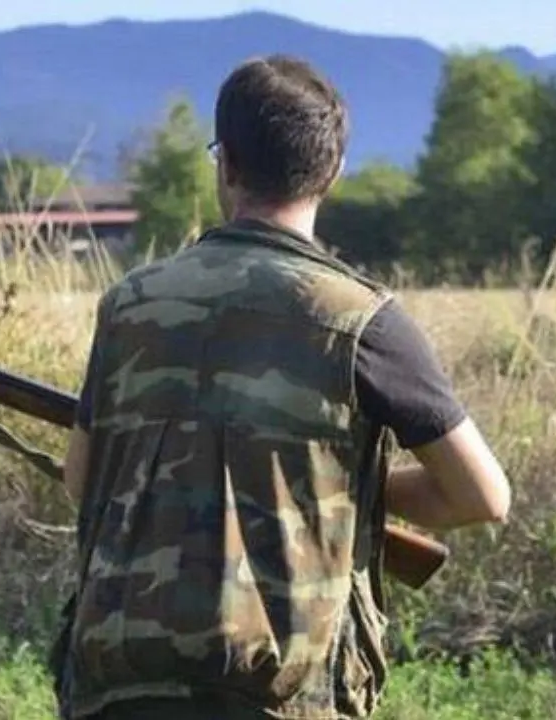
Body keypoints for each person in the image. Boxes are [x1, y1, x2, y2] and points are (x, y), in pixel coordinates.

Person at [49, 54, 511, 720]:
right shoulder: (364, 320)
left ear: (225, 163)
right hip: (285, 690)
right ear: (333, 172)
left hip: (121, 680)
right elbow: (483, 495)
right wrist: (338, 484)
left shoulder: (129, 304)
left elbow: (80, 478)